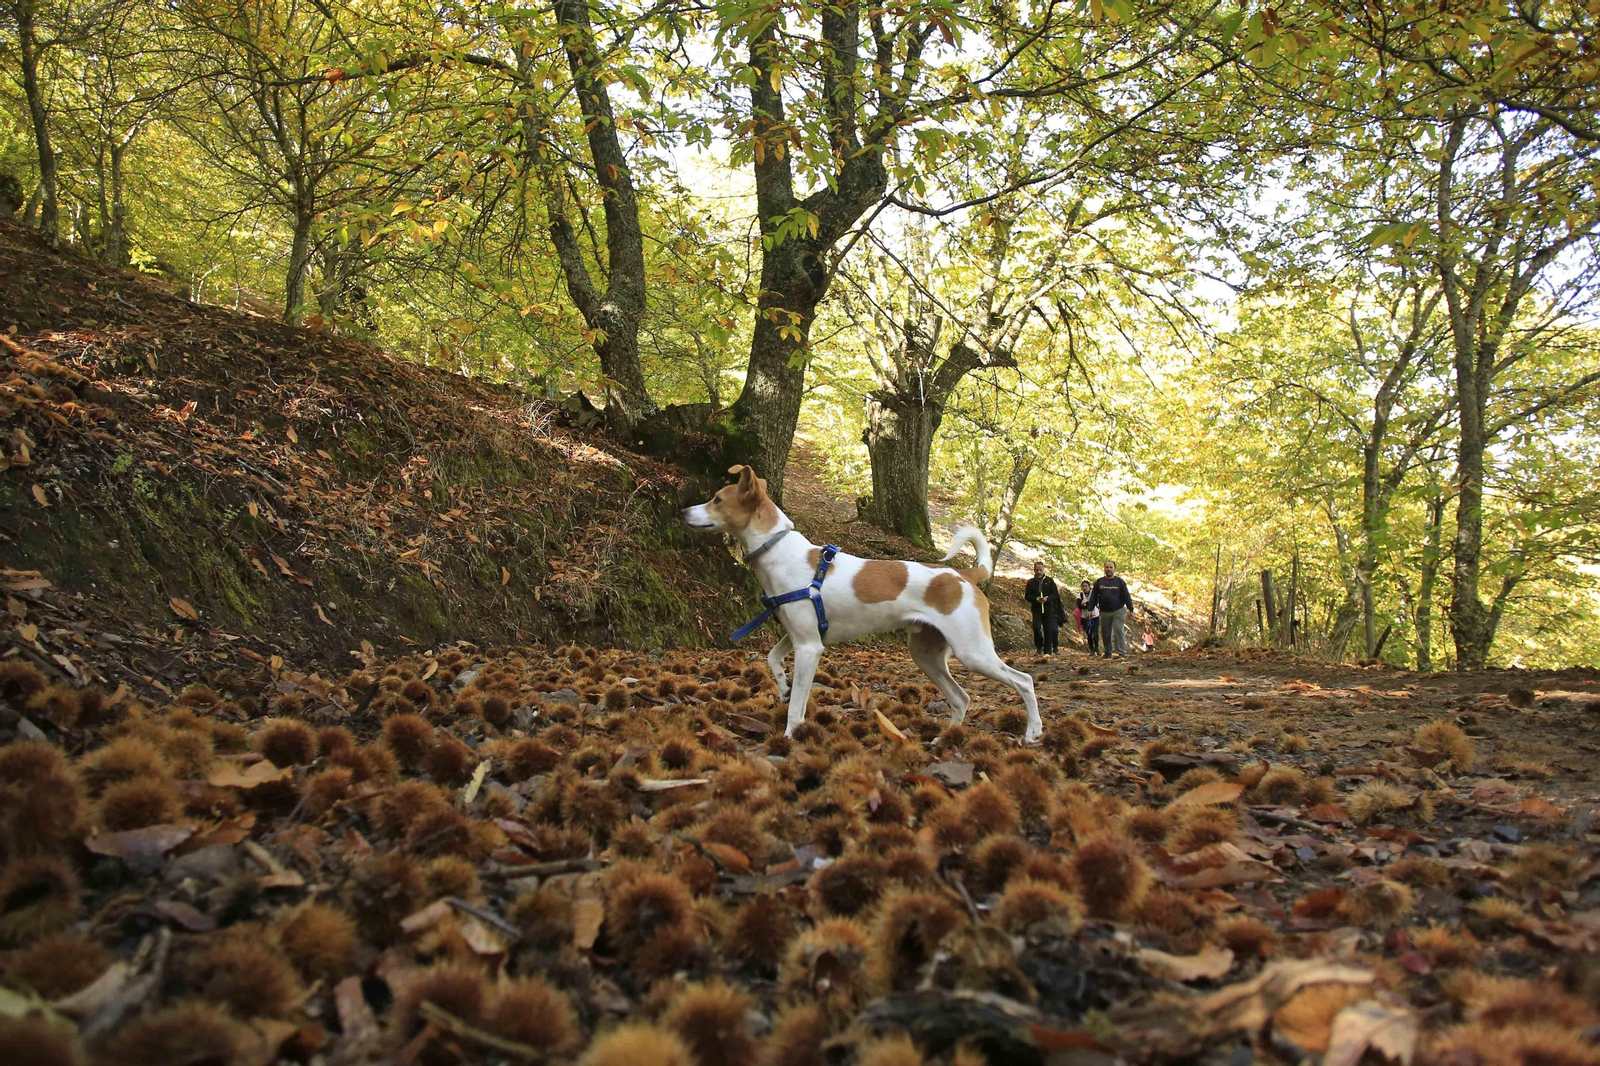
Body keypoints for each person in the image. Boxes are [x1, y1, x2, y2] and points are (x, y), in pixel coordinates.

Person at [1088, 561, 1134, 657]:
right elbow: (1093, 596)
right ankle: (1108, 652)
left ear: (1114, 569)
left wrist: (1131, 609)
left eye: (1110, 567)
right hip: (1104, 611)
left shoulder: (1120, 582)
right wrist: (1090, 609)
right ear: (1104, 569)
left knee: (1118, 629)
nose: (1108, 569)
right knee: (1106, 632)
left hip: (1118, 610)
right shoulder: (1099, 582)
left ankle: (1121, 652)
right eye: (1107, 567)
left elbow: (1126, 596)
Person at [1024, 561, 1064, 656]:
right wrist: (1036, 599)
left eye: (1040, 570)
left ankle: (1047, 650)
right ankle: (1039, 647)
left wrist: (1048, 599)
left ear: (1043, 570)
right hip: (1037, 609)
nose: (1039, 572)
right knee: (1037, 628)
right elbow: (1027, 596)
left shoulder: (1049, 581)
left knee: (1048, 630)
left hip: (1049, 609)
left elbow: (1055, 594)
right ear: (1034, 570)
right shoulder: (1031, 582)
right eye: (1037, 570)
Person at [1076, 580, 1099, 654]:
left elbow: (1095, 602)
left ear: (1089, 586)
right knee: (1089, 633)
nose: (1084, 587)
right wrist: (1087, 605)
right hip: (1084, 617)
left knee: (1095, 632)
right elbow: (1079, 605)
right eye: (1083, 586)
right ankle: (1091, 649)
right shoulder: (1080, 595)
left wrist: (1086, 604)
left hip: (1094, 616)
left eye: (1086, 586)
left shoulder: (1093, 594)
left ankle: (1097, 648)